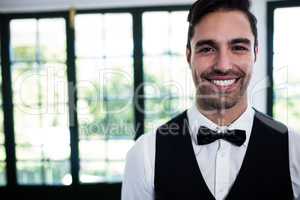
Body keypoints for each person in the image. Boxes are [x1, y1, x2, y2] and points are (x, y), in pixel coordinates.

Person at [121, 0, 300, 199]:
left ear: (255, 53)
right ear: (189, 55)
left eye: (238, 47)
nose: (223, 66)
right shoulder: (144, 154)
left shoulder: (295, 148)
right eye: (207, 49)